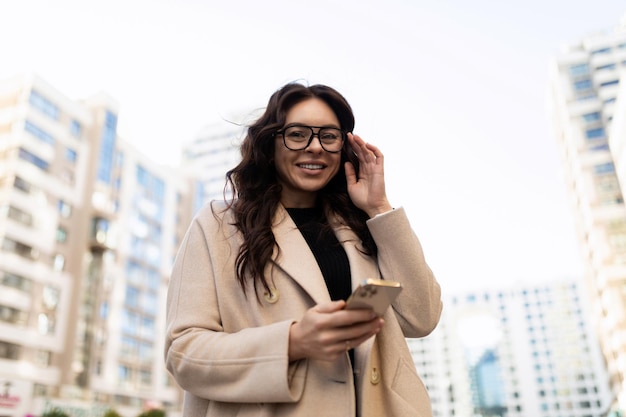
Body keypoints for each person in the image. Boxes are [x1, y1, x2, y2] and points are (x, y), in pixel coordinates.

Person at [164, 82, 443, 417]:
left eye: (329, 136)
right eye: (297, 134)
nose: (315, 147)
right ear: (270, 143)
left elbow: (422, 318)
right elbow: (183, 354)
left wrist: (379, 207)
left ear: (345, 147)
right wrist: (292, 343)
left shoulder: (362, 226)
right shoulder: (219, 224)